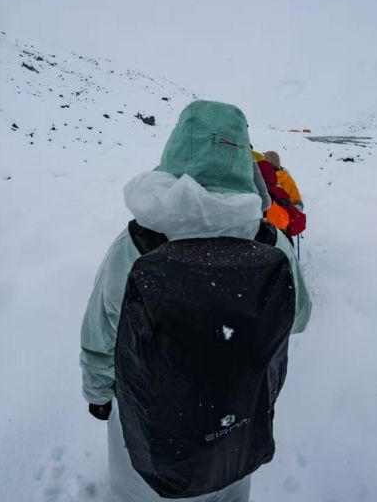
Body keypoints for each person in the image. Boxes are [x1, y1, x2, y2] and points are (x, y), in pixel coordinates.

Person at [80, 100, 311, 502]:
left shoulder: (137, 244)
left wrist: (99, 396)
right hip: (236, 424)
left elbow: (101, 336)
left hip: (147, 432)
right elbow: (299, 316)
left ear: (176, 151)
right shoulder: (270, 241)